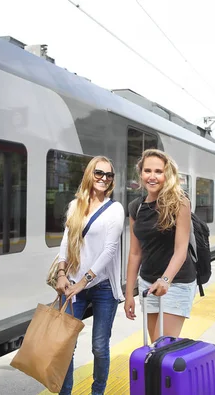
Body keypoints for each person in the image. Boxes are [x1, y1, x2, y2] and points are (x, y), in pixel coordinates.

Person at [54, 156, 125, 395]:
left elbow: (110, 249)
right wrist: (62, 274)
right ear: (89, 174)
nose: (104, 179)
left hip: (103, 286)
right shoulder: (75, 206)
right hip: (71, 284)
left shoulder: (115, 209)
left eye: (109, 175)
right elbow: (65, 242)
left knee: (99, 347)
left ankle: (98, 392)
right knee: (66, 346)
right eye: (99, 173)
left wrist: (84, 281)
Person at [124, 148, 196, 343]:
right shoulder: (135, 207)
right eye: (147, 171)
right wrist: (129, 294)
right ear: (141, 175)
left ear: (167, 174)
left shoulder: (180, 202)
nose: (152, 176)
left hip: (176, 283)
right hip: (148, 283)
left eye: (158, 171)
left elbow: (181, 250)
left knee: (160, 349)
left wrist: (165, 279)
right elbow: (135, 253)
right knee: (156, 350)